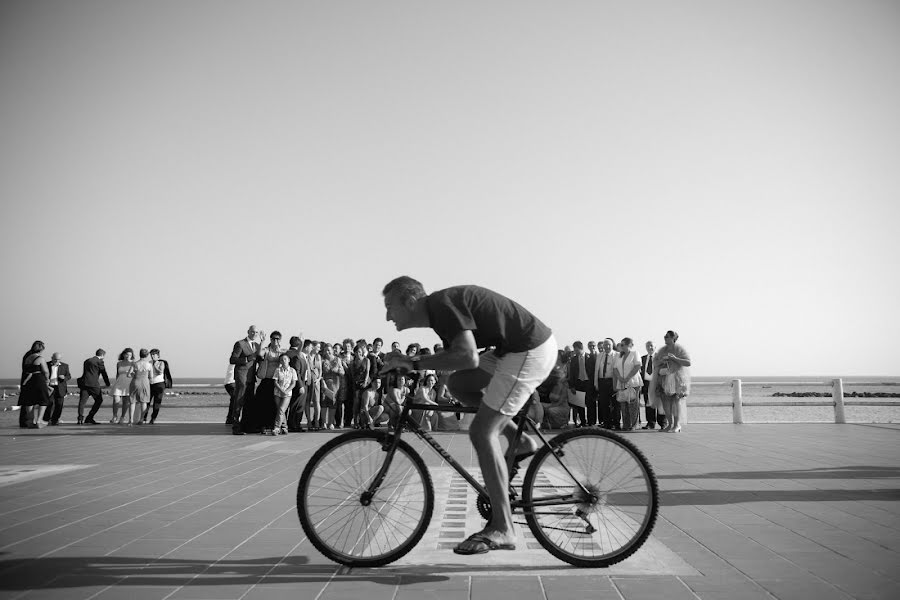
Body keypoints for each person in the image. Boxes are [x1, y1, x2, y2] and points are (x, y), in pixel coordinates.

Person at [380, 276, 557, 555]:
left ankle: (503, 527)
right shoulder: (439, 311)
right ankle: (518, 439)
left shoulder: (441, 306)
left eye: (390, 306)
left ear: (411, 302)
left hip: (528, 349)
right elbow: (459, 359)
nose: (388, 315)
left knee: (481, 432)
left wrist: (413, 363)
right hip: (510, 350)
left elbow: (468, 357)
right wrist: (413, 365)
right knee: (459, 385)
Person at [650, 330, 692, 433]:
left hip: (677, 379)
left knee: (676, 402)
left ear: (673, 338)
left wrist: (675, 358)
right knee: (665, 403)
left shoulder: (679, 349)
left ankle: (677, 425)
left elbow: (688, 362)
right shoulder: (662, 350)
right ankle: (669, 424)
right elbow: (655, 362)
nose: (665, 338)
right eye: (665, 336)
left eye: (667, 336)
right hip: (663, 379)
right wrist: (662, 361)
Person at [245, 331, 282, 435]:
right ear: (270, 339)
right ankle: (262, 426)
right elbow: (259, 354)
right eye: (273, 338)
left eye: (278, 338)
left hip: (277, 382)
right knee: (263, 404)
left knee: (274, 406)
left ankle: (272, 426)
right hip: (266, 381)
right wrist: (262, 341)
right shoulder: (266, 350)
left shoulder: (282, 352)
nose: (275, 340)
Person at [229, 325, 263, 435]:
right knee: (239, 401)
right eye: (252, 332)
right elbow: (232, 359)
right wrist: (247, 359)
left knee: (249, 403)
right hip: (241, 376)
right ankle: (236, 427)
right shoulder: (240, 343)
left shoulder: (257, 345)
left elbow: (259, 358)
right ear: (248, 332)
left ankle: (247, 426)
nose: (254, 334)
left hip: (251, 377)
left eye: (256, 332)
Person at [19, 341, 51, 428]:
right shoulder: (40, 358)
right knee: (43, 400)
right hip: (38, 379)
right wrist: (47, 380)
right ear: (41, 349)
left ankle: (30, 420)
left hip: (28, 380)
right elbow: (46, 371)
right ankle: (39, 420)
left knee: (29, 401)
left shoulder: (27, 358)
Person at [613, 338, 643, 431]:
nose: (621, 347)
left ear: (628, 345)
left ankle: (634, 424)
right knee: (623, 404)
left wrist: (627, 377)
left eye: (622, 345)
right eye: (620, 345)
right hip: (621, 383)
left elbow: (637, 366)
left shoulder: (634, 353)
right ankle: (626, 424)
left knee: (633, 404)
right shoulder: (619, 356)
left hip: (633, 382)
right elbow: (615, 368)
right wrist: (620, 378)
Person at [78, 349, 110, 424]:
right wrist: (107, 384)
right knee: (99, 400)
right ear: (102, 355)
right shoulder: (100, 362)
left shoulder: (87, 361)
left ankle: (80, 418)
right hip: (93, 384)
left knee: (82, 402)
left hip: (84, 383)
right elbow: (104, 373)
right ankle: (89, 417)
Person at [593, 338, 618, 429]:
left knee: (615, 404)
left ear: (612, 346)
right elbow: (597, 370)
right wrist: (596, 383)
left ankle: (616, 423)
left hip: (613, 382)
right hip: (602, 382)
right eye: (605, 345)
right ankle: (607, 423)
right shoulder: (600, 355)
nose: (607, 346)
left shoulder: (617, 355)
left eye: (609, 345)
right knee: (604, 404)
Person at [143, 349, 172, 424]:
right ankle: (144, 417)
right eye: (151, 354)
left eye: (153, 354)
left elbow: (160, 372)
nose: (152, 356)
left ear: (158, 355)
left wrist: (155, 365)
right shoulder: (149, 362)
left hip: (159, 384)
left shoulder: (161, 363)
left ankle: (153, 418)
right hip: (150, 384)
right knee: (147, 402)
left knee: (157, 403)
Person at [42, 352, 71, 425]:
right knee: (49, 403)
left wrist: (64, 378)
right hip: (49, 387)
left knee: (59, 404)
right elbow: (41, 374)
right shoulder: (46, 365)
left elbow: (69, 376)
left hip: (60, 387)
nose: (56, 361)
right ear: (52, 358)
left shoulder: (65, 366)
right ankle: (46, 419)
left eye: (58, 359)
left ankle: (55, 420)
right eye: (55, 359)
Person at [566, 341, 591, 427]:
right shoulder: (573, 359)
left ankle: (590, 421)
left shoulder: (590, 357)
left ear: (581, 348)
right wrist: (572, 386)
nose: (575, 352)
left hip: (588, 383)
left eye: (577, 350)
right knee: (580, 404)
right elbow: (572, 373)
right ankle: (583, 422)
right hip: (578, 383)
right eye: (574, 350)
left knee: (589, 403)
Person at [272, 353, 298, 435]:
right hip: (277, 392)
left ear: (289, 360)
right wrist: (281, 390)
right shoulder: (278, 370)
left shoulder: (292, 370)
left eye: (285, 359)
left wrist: (286, 391)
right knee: (280, 410)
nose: (283, 361)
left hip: (287, 394)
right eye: (282, 360)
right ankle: (284, 427)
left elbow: (293, 383)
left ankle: (276, 428)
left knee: (281, 409)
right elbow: (275, 382)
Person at [320, 344, 344, 430]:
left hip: (335, 385)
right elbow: (320, 374)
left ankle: (330, 423)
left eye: (329, 350)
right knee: (323, 404)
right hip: (324, 385)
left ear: (333, 350)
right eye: (326, 350)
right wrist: (323, 382)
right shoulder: (322, 361)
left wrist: (338, 370)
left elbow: (342, 372)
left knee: (333, 404)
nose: (327, 352)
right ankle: (323, 423)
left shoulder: (338, 360)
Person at [640, 341, 663, 429]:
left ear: (655, 347)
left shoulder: (660, 358)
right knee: (648, 404)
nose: (650, 347)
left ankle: (662, 423)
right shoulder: (643, 358)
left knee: (660, 404)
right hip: (646, 384)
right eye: (648, 346)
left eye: (651, 346)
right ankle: (650, 423)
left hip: (657, 383)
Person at [127, 349, 153, 426]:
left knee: (132, 402)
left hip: (135, 382)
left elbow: (128, 375)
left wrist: (134, 374)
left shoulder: (135, 363)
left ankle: (130, 420)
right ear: (147, 355)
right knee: (144, 402)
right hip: (145, 383)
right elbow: (151, 377)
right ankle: (141, 419)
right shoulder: (149, 365)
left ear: (139, 354)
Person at [109, 349, 135, 424]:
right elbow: (117, 374)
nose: (128, 356)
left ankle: (122, 417)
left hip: (129, 382)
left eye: (130, 355)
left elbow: (135, 374)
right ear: (123, 354)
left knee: (126, 401)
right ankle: (114, 416)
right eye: (127, 354)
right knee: (116, 399)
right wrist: (116, 382)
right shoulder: (119, 363)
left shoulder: (133, 363)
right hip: (119, 382)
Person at [349, 344, 371, 428]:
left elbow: (367, 372)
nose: (358, 353)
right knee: (356, 403)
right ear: (354, 353)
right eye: (356, 352)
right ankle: (355, 421)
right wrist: (355, 383)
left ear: (362, 352)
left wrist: (365, 382)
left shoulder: (366, 360)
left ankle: (363, 422)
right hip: (356, 385)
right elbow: (352, 375)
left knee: (364, 403)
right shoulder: (352, 363)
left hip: (365, 384)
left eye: (359, 352)